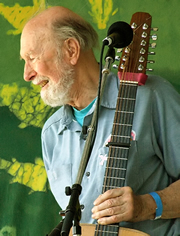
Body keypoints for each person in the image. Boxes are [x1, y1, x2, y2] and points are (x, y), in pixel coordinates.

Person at [20, 6, 180, 236]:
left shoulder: (150, 98)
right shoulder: (51, 133)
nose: (27, 74)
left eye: (32, 58)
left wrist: (147, 205)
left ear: (71, 50)